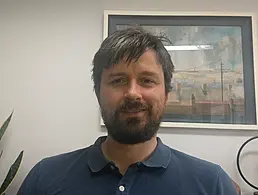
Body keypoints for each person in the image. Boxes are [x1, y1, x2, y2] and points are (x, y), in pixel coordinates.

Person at [17, 26, 239, 195]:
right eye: (118, 80)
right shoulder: (44, 179)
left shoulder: (212, 184)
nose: (133, 93)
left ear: (166, 94)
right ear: (97, 93)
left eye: (147, 80)